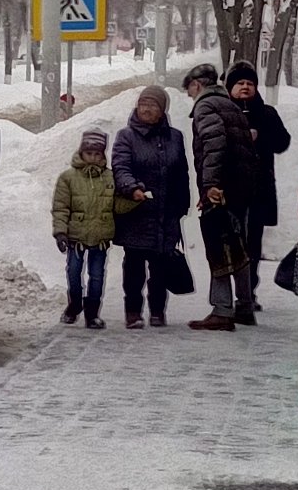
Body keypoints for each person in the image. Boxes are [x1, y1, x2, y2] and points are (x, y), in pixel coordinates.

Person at [181, 63, 258, 331]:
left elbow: (215, 145)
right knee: (238, 246)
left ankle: (222, 310)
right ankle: (245, 306)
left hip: (223, 189)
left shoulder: (206, 106)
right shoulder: (230, 105)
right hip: (240, 188)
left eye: (189, 89)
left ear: (196, 84)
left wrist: (211, 185)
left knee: (219, 246)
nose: (190, 95)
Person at [112, 85, 190, 329]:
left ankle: (158, 312)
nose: (146, 109)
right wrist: (131, 187)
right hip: (137, 212)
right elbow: (120, 167)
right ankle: (133, 313)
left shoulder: (175, 137)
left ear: (162, 110)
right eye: (143, 104)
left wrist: (182, 206)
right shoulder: (126, 136)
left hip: (166, 214)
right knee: (134, 266)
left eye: (153, 105)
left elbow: (182, 173)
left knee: (161, 266)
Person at [52, 127, 139, 329]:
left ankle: (92, 313)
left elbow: (116, 205)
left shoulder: (110, 177)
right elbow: (61, 207)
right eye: (89, 153)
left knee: (97, 277)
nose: (92, 157)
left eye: (97, 153)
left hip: (100, 238)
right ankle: (74, 305)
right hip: (76, 238)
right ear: (81, 152)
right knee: (73, 273)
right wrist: (60, 232)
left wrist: (135, 200)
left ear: (103, 154)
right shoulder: (68, 178)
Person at [225, 61, 292, 313]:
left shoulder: (267, 113)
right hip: (229, 189)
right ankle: (228, 294)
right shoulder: (222, 111)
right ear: (230, 87)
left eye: (249, 84)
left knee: (253, 244)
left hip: (258, 190)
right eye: (240, 83)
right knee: (230, 243)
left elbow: (282, 142)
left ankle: (248, 292)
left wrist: (260, 134)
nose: (245, 87)